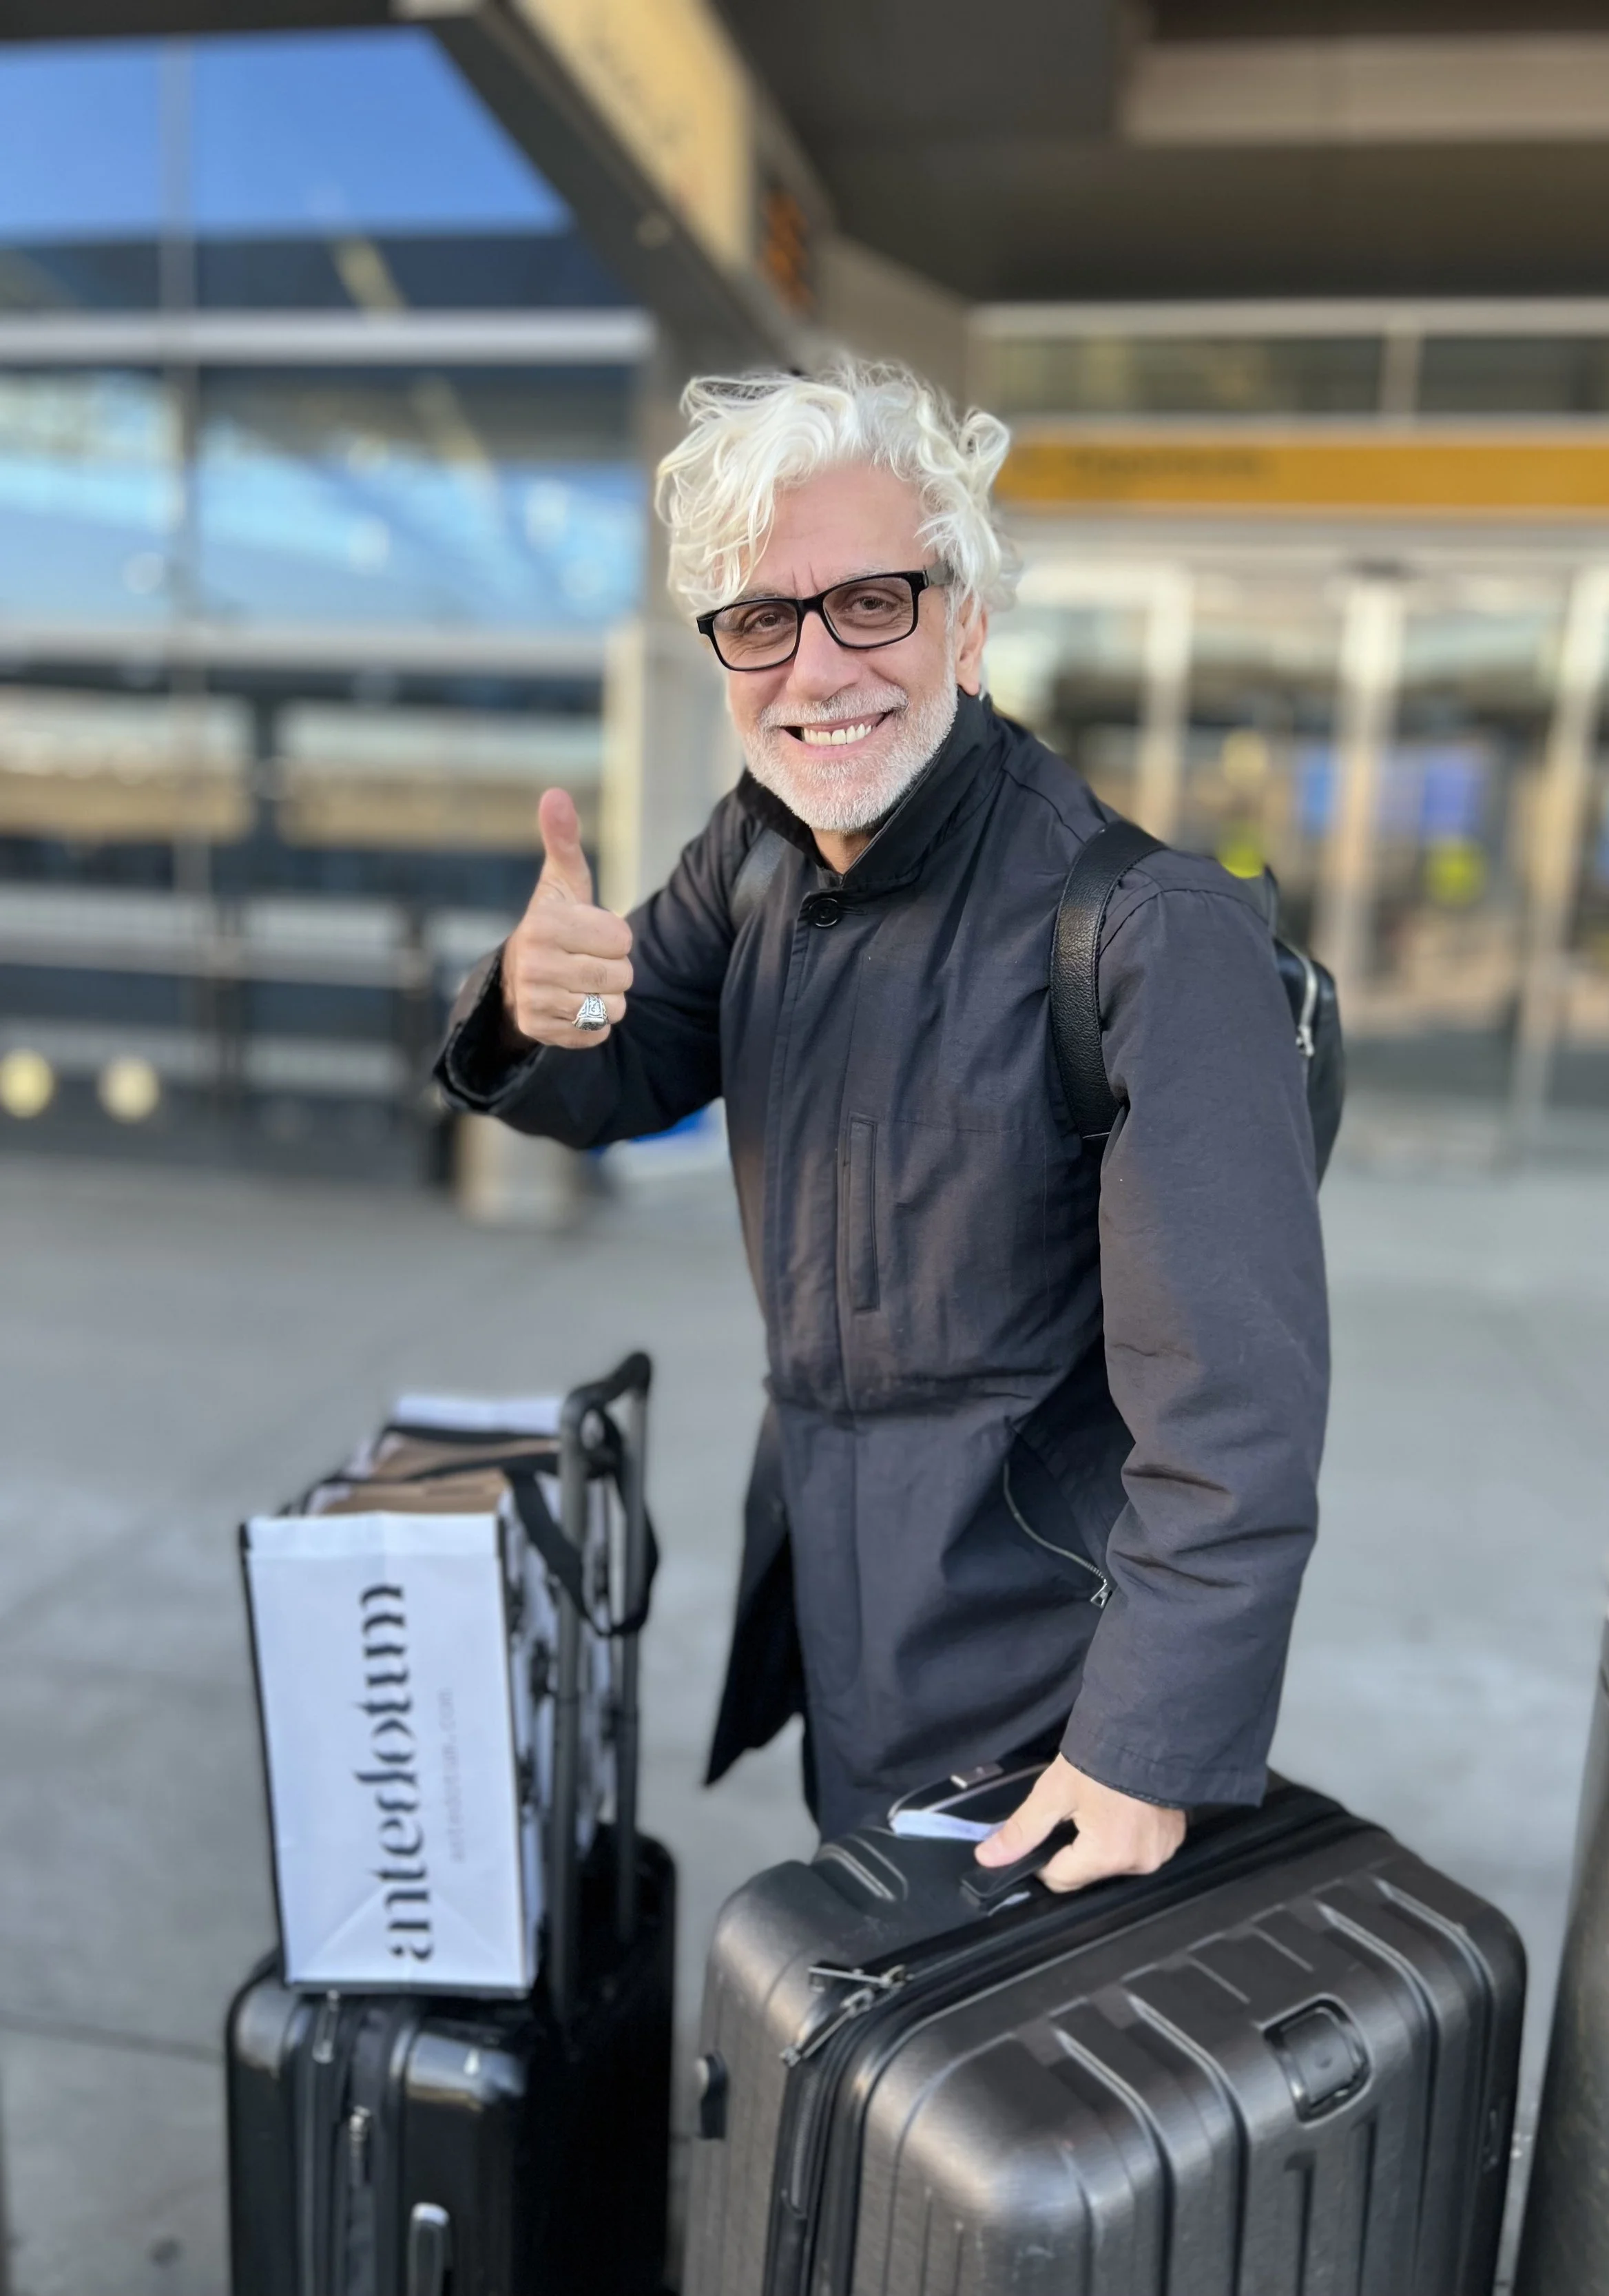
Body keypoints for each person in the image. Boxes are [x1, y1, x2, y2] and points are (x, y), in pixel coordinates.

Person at [436, 360, 1329, 1892]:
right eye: (761, 620)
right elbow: (626, 1065)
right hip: (848, 1612)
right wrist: (530, 1001)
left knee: (1017, 2109)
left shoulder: (1143, 929)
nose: (815, 668)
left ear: (966, 625)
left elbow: (1234, 1413)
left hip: (1050, 1681)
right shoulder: (756, 854)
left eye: (871, 601)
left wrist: (1138, 1747)